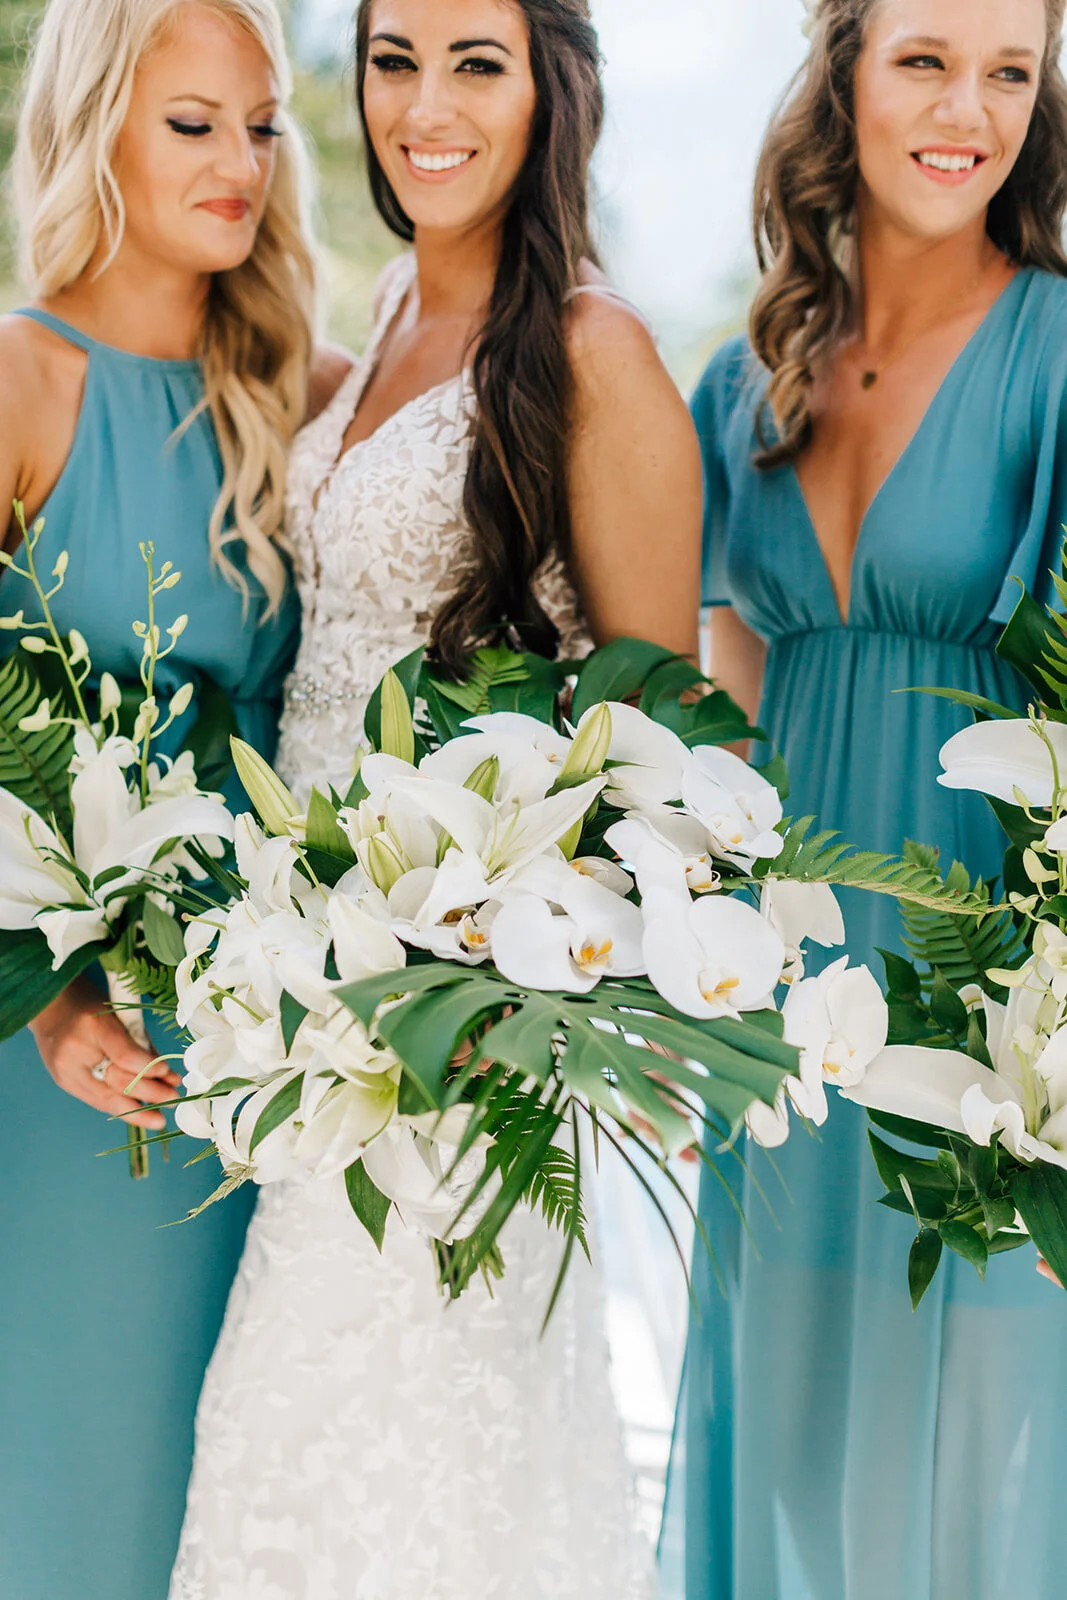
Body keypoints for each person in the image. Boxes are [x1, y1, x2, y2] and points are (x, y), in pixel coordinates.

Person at [168, 2, 703, 1595]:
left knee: (433, 1484)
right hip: (302, 1026)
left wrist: (492, 986)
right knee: (293, 1465)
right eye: (395, 58)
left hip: (459, 1041)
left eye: (477, 62)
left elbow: (656, 747)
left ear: (554, 90)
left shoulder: (593, 351)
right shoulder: (387, 303)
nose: (424, 105)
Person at [659, 2, 1067, 1597]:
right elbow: (721, 715)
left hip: (983, 1004)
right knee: (785, 1460)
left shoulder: (1055, 351)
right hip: (776, 1009)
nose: (966, 108)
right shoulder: (739, 384)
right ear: (841, 73)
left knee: (976, 1483)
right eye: (922, 60)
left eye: (1009, 72)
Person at [0, 0, 315, 1593]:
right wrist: (48, 1003)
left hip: (272, 1046)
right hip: (66, 1056)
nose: (240, 165)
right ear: (96, 124)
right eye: (190, 123)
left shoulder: (284, 394)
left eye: (259, 125)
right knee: (82, 1497)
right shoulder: (19, 378)